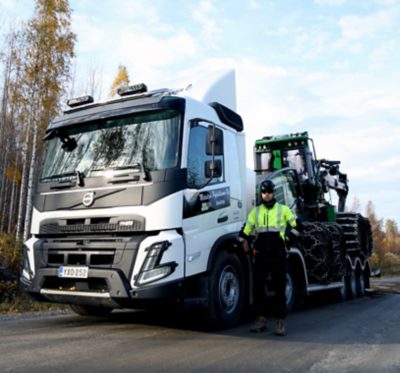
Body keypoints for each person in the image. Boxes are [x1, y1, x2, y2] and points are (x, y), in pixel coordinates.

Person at [239, 179, 300, 336]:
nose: (266, 195)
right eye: (264, 192)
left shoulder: (283, 209)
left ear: (274, 193)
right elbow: (246, 230)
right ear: (261, 194)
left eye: (269, 192)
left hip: (278, 255)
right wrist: (243, 241)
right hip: (260, 255)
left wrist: (287, 239)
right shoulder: (255, 212)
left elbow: (297, 227)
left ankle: (280, 322)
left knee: (279, 288)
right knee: (258, 288)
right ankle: (261, 320)